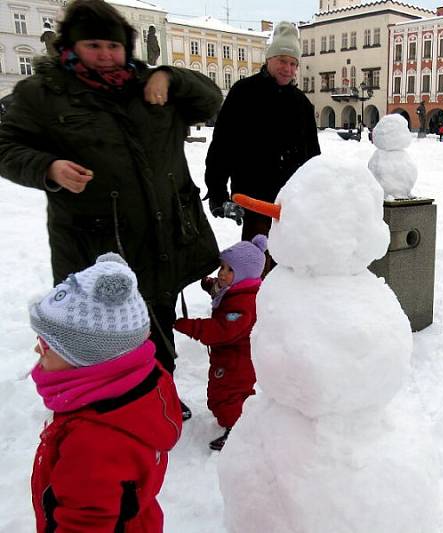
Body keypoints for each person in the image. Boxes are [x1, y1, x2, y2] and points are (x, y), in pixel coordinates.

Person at [0, 0, 221, 420]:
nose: (105, 55)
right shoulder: (41, 94)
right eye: (94, 44)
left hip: (164, 231)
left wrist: (170, 75)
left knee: (157, 315)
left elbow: (210, 101)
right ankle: (110, 408)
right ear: (71, 47)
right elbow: (6, 147)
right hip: (93, 238)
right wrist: (48, 167)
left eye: (113, 46)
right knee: (100, 328)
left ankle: (158, 397)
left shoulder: (149, 83)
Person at [29, 253, 183, 531]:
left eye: (46, 344)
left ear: (87, 357)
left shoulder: (93, 443)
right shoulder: (141, 386)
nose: (37, 350)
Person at [205, 21, 320, 267]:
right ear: (269, 59)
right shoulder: (243, 93)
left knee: (290, 270)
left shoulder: (302, 104)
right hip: (254, 201)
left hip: (290, 206)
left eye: (293, 64)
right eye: (282, 61)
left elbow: (314, 159)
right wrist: (217, 193)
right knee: (256, 267)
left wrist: (316, 197)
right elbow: (222, 146)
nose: (288, 69)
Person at [174, 235, 267, 450]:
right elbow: (221, 292)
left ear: (244, 275)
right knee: (232, 395)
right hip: (230, 358)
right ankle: (247, 418)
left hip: (236, 362)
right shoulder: (239, 289)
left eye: (229, 270)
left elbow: (222, 330)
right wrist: (209, 285)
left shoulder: (244, 302)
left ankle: (238, 432)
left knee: (225, 397)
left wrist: (188, 325)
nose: (222, 274)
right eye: (222, 267)